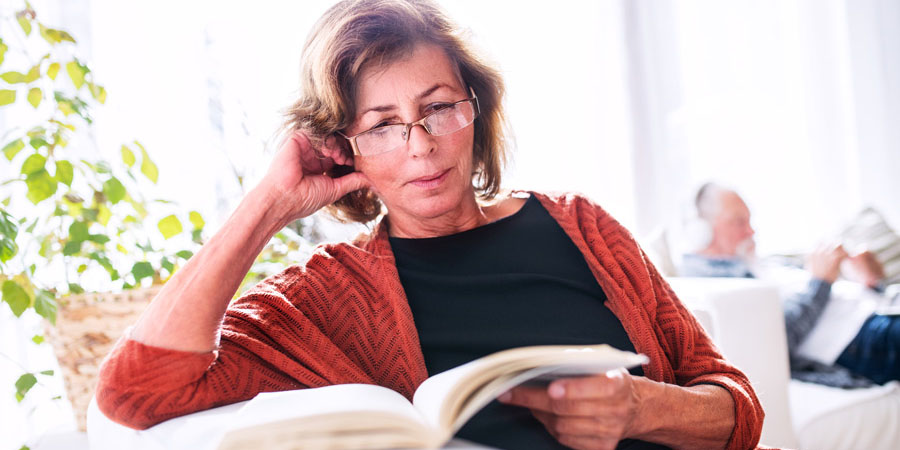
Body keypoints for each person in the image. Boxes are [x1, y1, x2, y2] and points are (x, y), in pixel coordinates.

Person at [95, 2, 764, 448]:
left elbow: (738, 406)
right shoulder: (326, 295)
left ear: (477, 112)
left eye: (439, 107)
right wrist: (266, 205)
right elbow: (135, 392)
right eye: (383, 124)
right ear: (342, 146)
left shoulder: (581, 226)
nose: (420, 146)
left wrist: (642, 409)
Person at [681, 182, 900, 387]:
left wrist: (870, 283)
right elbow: (775, 340)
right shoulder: (714, 285)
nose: (751, 231)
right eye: (739, 222)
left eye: (749, 221)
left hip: (882, 309)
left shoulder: (762, 262)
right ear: (702, 231)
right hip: (858, 337)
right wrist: (821, 282)